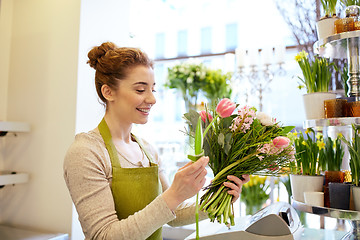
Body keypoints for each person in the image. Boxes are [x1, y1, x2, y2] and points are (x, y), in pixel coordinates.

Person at [63, 42, 250, 240]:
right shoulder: (86, 152)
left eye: (153, 89)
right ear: (108, 92)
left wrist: (220, 198)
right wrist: (175, 194)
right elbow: (104, 236)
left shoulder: (148, 150)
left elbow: (172, 215)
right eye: (140, 90)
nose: (152, 99)